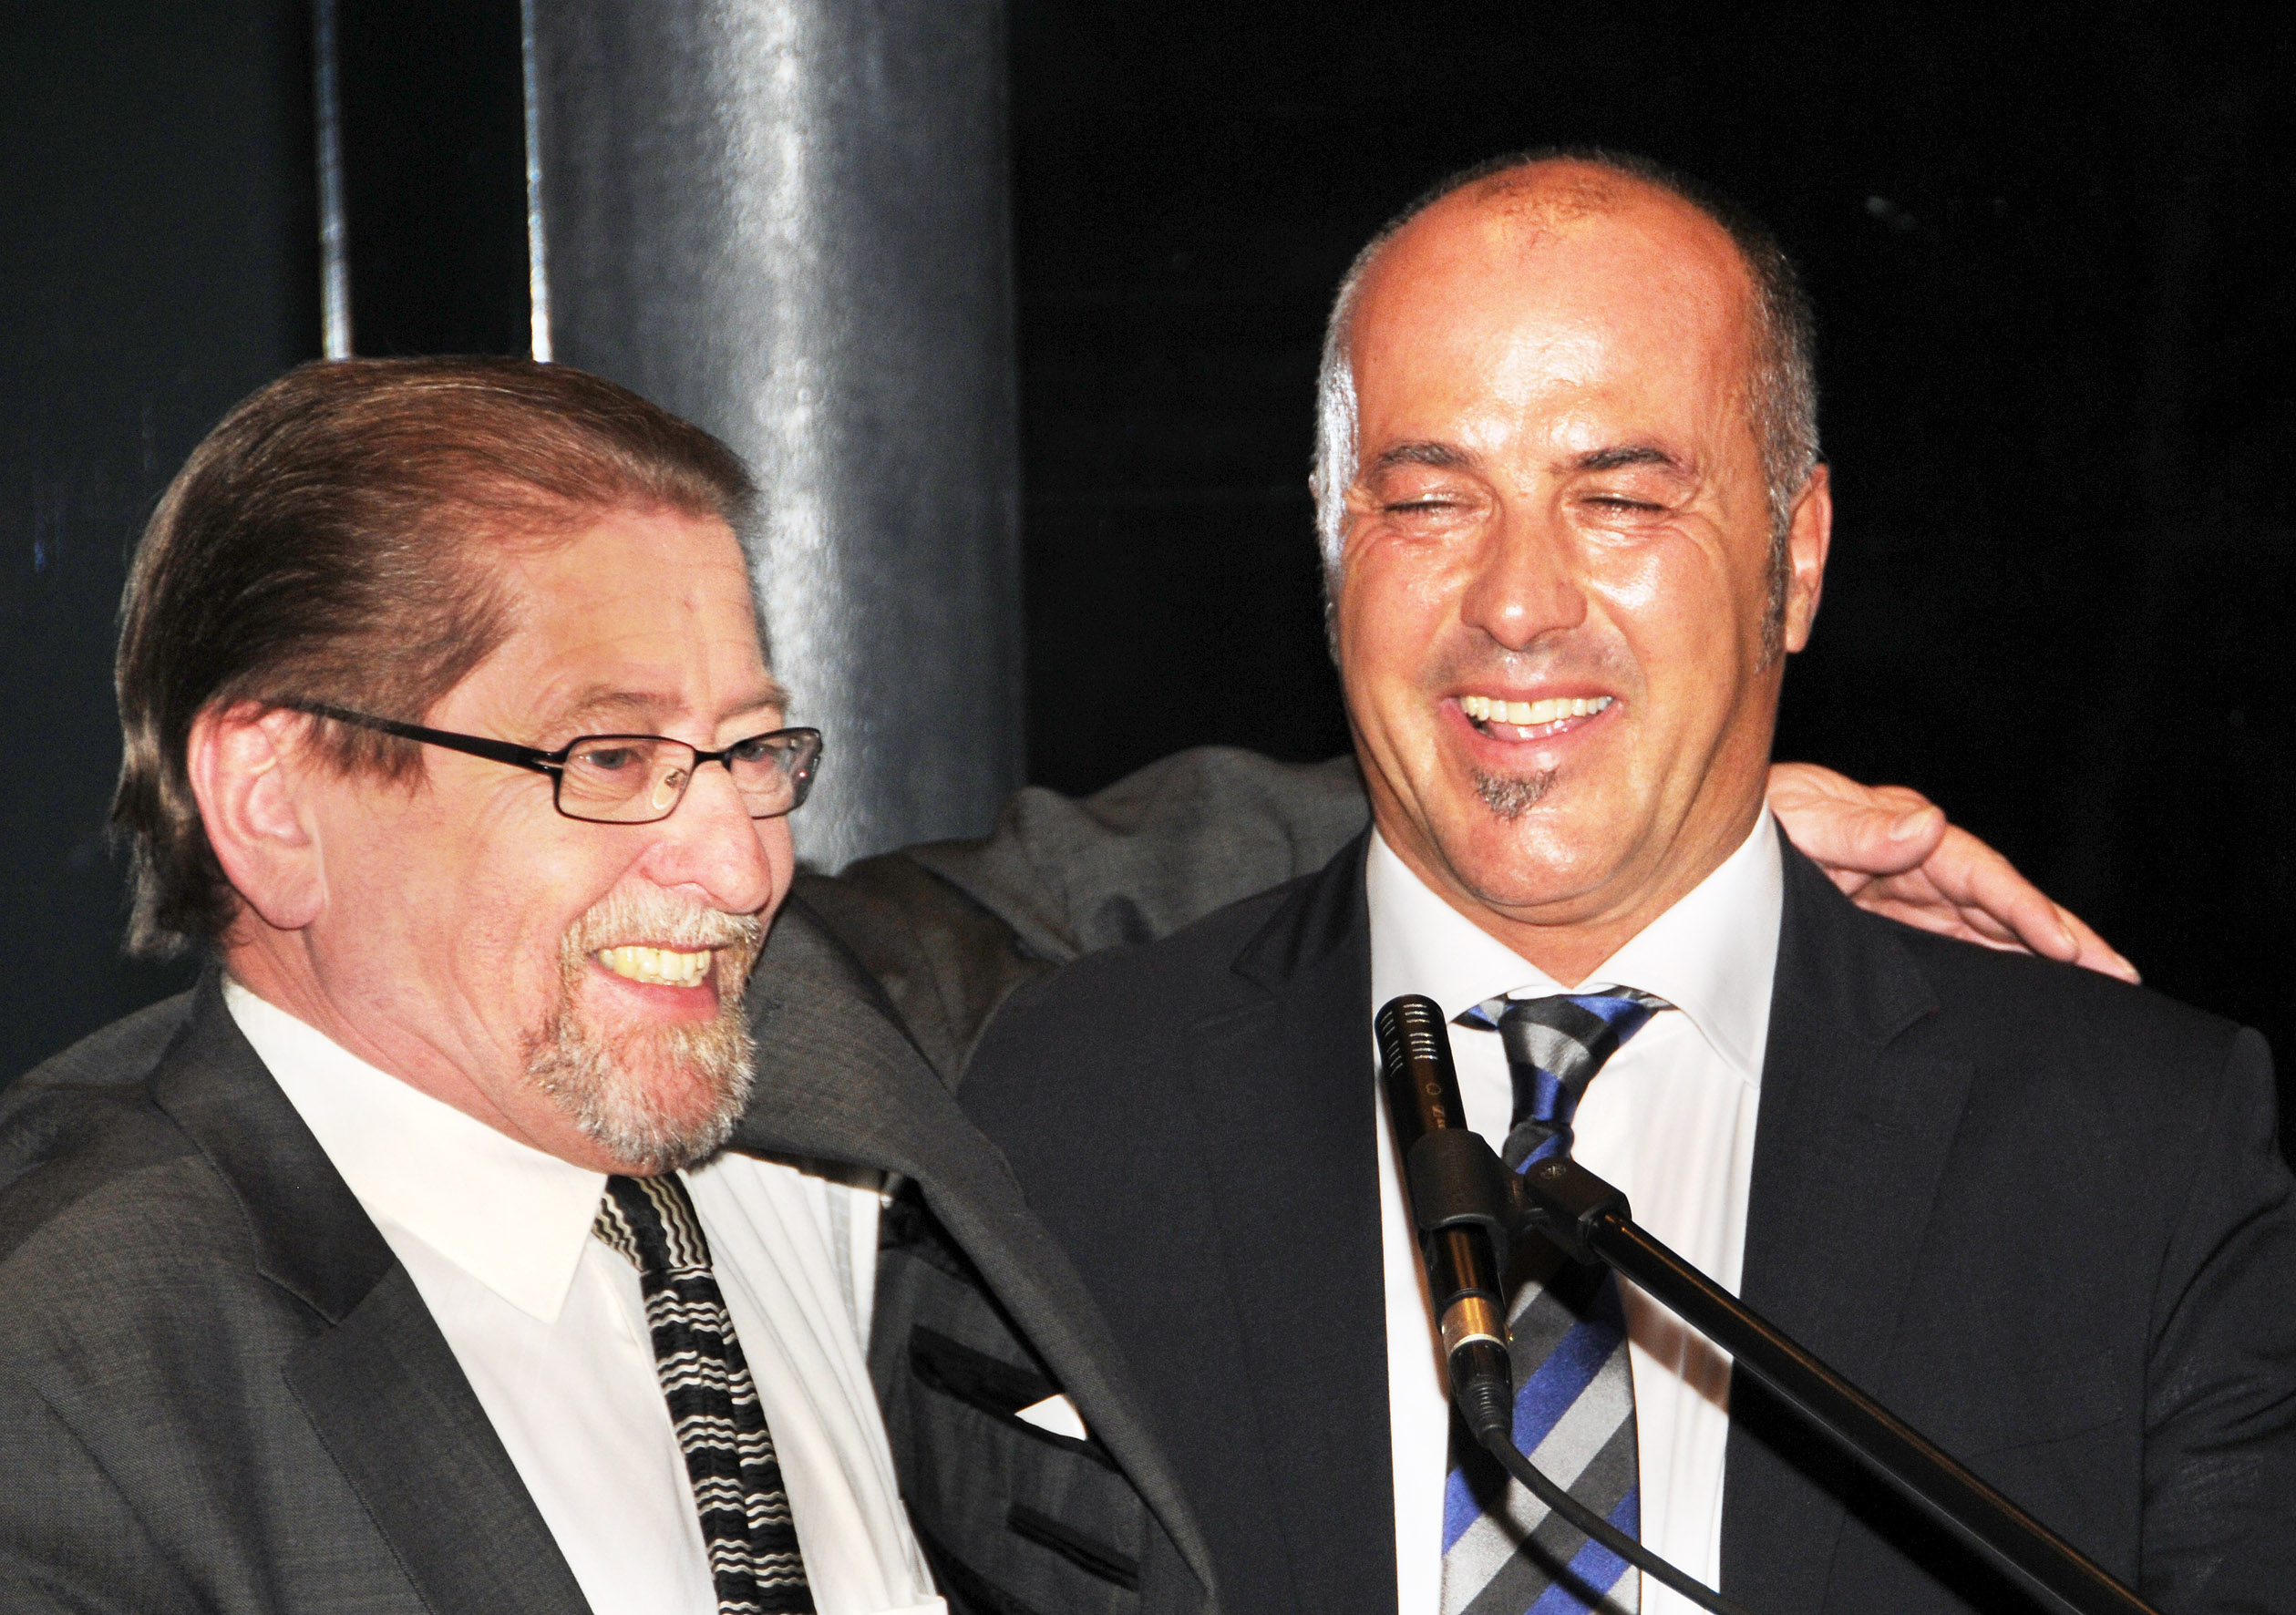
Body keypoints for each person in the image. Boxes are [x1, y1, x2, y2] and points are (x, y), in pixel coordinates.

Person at [0, 359, 2127, 1615]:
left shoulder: (787, 1047)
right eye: (612, 760)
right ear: (277, 796)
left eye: (751, 753)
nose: (734, 868)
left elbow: (1107, 872)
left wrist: (1619, 818)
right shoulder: (75, 1366)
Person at [947, 149, 2296, 1615]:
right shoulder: (1055, 1119)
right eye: (1431, 501)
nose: (1518, 603)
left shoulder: (2141, 1154)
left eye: (1621, 500)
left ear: (1797, 559)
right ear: (1332, 547)